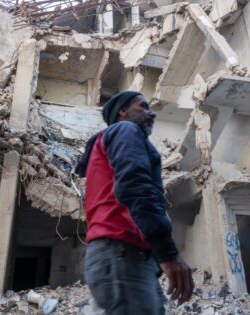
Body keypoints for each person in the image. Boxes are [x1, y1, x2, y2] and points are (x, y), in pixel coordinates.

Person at [76, 91, 194, 315]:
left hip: (125, 256)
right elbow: (135, 188)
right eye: (144, 106)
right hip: (121, 252)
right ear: (123, 111)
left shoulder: (113, 140)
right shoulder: (126, 130)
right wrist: (168, 254)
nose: (152, 114)